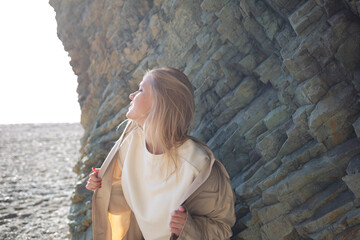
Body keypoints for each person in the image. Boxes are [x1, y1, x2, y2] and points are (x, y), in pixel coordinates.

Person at [86, 67, 236, 240]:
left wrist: (188, 228)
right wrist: (103, 186)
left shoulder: (198, 166)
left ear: (161, 101)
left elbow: (223, 229)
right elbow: (133, 202)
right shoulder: (130, 142)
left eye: (141, 90)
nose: (132, 95)